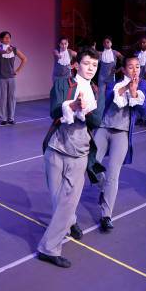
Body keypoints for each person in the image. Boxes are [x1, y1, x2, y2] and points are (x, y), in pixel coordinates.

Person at [38, 48, 105, 268]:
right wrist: (72, 106)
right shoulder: (62, 84)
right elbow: (54, 111)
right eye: (86, 64)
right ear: (76, 65)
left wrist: (86, 111)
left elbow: (96, 122)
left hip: (80, 152)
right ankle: (71, 222)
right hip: (56, 148)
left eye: (94, 66)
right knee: (58, 199)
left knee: (69, 201)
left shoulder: (96, 90)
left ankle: (49, 247)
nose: (90, 69)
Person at [94, 55, 146, 231]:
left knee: (113, 174)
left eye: (137, 67)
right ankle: (103, 189)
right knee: (90, 164)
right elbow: (111, 98)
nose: (135, 70)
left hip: (122, 133)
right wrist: (126, 87)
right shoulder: (114, 83)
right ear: (124, 69)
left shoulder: (143, 86)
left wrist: (134, 92)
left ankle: (106, 215)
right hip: (104, 128)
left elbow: (143, 110)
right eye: (131, 67)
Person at [0, 31, 27, 125]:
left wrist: (17, 71)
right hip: (1, 77)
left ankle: (11, 118)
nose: (7, 39)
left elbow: (24, 59)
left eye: (8, 37)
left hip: (11, 77)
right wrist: (6, 51)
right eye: (5, 37)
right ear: (1, 39)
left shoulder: (14, 49)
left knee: (12, 98)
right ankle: (3, 118)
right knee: (2, 98)